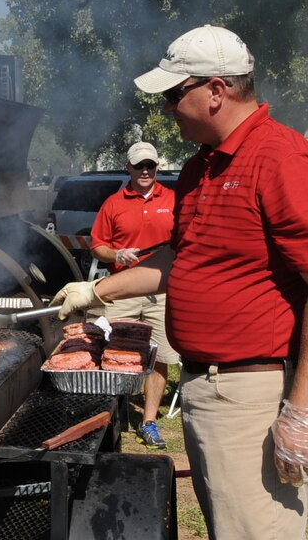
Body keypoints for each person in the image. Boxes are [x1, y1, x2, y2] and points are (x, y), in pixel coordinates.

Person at [51, 24, 308, 539]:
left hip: (250, 393)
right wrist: (96, 290)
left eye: (175, 94)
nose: (168, 108)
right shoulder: (199, 171)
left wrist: (306, 412)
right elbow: (182, 258)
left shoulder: (282, 160)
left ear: (217, 91)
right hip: (204, 387)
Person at [90, 141, 178, 449]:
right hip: (124, 289)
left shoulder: (174, 199)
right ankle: (109, 414)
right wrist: (117, 253)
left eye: (150, 165)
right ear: (127, 167)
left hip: (163, 290)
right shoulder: (113, 203)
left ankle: (149, 422)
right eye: (139, 165)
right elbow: (98, 246)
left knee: (161, 357)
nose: (145, 170)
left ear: (157, 168)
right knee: (112, 352)